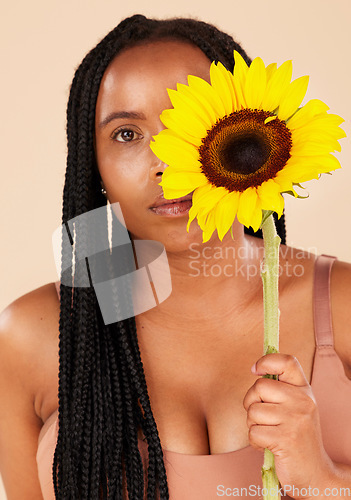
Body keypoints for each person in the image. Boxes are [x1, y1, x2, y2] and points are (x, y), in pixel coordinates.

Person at [0, 13, 350, 500]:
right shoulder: (30, 335)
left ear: (247, 133)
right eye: (127, 134)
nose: (166, 162)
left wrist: (323, 482)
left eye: (191, 123)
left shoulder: (341, 305)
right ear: (92, 166)